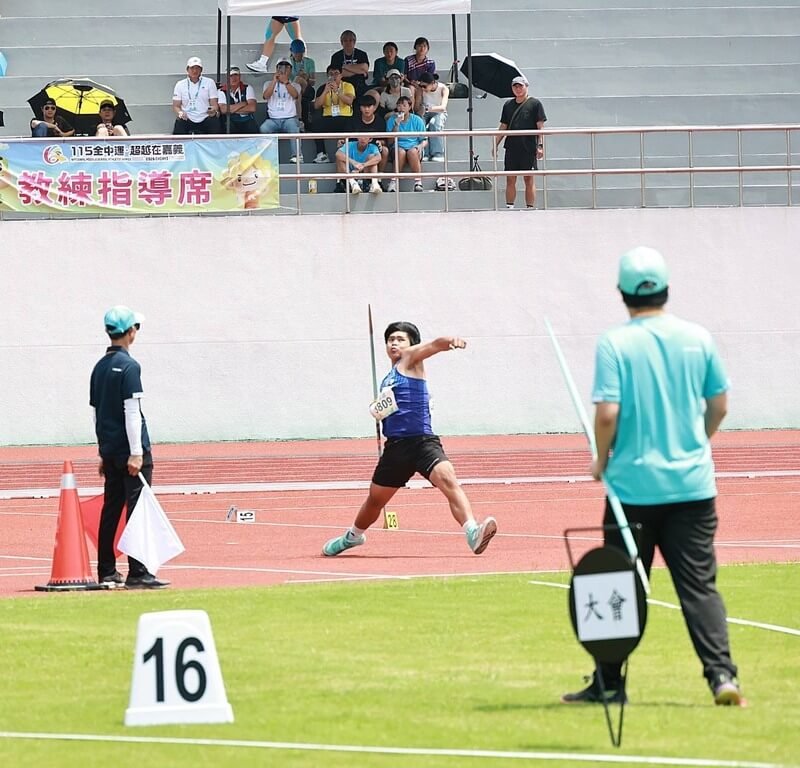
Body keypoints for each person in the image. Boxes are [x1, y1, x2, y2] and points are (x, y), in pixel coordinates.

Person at [561, 246, 745, 707]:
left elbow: (607, 415)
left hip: (631, 488)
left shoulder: (615, 343)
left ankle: (609, 683)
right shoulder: (697, 338)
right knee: (698, 585)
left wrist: (602, 459)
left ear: (621, 292)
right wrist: (697, 441)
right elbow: (719, 404)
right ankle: (722, 676)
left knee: (615, 583)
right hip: (692, 488)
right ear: (666, 288)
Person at [323, 322, 497, 558]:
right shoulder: (388, 378)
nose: (394, 343)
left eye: (399, 339)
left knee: (447, 478)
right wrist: (379, 410)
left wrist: (450, 341)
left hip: (423, 442)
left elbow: (435, 345)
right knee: (375, 501)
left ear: (411, 345)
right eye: (390, 339)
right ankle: (352, 537)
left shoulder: (410, 360)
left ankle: (472, 532)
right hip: (396, 447)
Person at [90, 306, 168, 590]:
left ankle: (107, 569)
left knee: (111, 509)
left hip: (110, 451)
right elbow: (131, 411)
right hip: (131, 451)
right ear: (131, 332)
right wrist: (136, 452)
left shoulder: (99, 367)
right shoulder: (130, 367)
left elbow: (97, 413)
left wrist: (103, 451)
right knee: (138, 510)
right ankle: (138, 570)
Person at [494, 75, 546, 209]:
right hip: (512, 147)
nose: (517, 89)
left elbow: (540, 126)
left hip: (528, 147)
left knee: (529, 178)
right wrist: (496, 143)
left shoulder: (535, 104)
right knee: (510, 178)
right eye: (515, 86)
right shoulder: (508, 105)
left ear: (526, 87)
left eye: (520, 86)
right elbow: (503, 126)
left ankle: (530, 207)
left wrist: (540, 146)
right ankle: (509, 206)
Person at [259, 58, 303, 162]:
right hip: (273, 119)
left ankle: (297, 156)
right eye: (280, 66)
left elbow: (295, 95)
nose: (283, 69)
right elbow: (266, 96)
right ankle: (268, 158)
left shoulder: (295, 85)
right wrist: (275, 80)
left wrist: (286, 82)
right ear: (276, 69)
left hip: (289, 118)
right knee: (264, 128)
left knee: (294, 128)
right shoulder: (268, 83)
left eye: (286, 66)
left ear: (290, 70)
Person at [311, 65, 355, 163]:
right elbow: (317, 106)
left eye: (336, 73)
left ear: (341, 75)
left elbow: (349, 101)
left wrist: (337, 91)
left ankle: (349, 153)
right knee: (316, 123)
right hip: (328, 117)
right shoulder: (323, 87)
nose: (334, 76)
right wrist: (326, 91)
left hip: (345, 117)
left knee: (351, 123)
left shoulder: (348, 86)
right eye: (331, 74)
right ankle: (321, 154)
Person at [385, 95, 427, 191]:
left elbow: (424, 140)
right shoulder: (392, 119)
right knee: (401, 152)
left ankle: (418, 182)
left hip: (414, 147)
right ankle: (393, 181)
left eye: (404, 105)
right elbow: (390, 141)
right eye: (399, 105)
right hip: (397, 147)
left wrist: (419, 147)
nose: (401, 108)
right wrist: (396, 125)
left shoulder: (417, 120)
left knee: (412, 152)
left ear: (409, 107)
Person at [172, 56, 219, 135]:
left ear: (201, 70)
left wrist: (213, 110)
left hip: (205, 117)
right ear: (187, 70)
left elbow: (214, 104)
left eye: (197, 68)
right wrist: (180, 113)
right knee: (179, 123)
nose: (195, 71)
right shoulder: (180, 84)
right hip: (187, 118)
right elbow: (176, 106)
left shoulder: (209, 82)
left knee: (214, 122)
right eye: (192, 68)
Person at [329, 30, 369, 98]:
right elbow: (338, 74)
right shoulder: (336, 56)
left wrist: (344, 67)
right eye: (345, 40)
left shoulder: (362, 54)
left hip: (360, 85)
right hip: (343, 85)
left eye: (350, 40)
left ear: (354, 42)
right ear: (342, 42)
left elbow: (365, 68)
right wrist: (360, 71)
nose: (348, 43)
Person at [217, 67, 258, 134]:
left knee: (252, 126)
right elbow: (223, 110)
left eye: (236, 75)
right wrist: (242, 104)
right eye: (231, 76)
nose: (234, 78)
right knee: (228, 127)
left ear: (240, 76)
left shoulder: (247, 88)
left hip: (246, 120)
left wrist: (231, 110)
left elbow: (252, 108)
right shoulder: (221, 91)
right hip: (230, 120)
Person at [418, 72, 448, 161]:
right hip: (425, 112)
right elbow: (418, 105)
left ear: (432, 83)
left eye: (425, 86)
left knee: (434, 124)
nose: (422, 88)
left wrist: (428, 109)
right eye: (421, 86)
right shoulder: (420, 90)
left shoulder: (443, 88)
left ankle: (438, 153)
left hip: (438, 112)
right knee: (421, 124)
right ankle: (424, 153)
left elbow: (443, 107)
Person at [288, 39, 316, 127]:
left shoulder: (310, 62)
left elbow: (313, 82)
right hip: (291, 88)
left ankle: (299, 118)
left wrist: (306, 77)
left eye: (300, 53)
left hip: (306, 88)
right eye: (296, 53)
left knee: (299, 79)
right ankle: (299, 119)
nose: (298, 56)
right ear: (291, 52)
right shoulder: (288, 63)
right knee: (297, 80)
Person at [403, 36, 436, 112]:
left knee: (420, 90)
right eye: (420, 46)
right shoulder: (408, 60)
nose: (422, 48)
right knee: (411, 89)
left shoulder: (430, 63)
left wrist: (420, 84)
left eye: (424, 46)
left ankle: (417, 113)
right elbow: (404, 76)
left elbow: (430, 79)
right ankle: (410, 111)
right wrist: (411, 82)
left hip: (423, 85)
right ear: (415, 47)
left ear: (428, 48)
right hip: (410, 83)